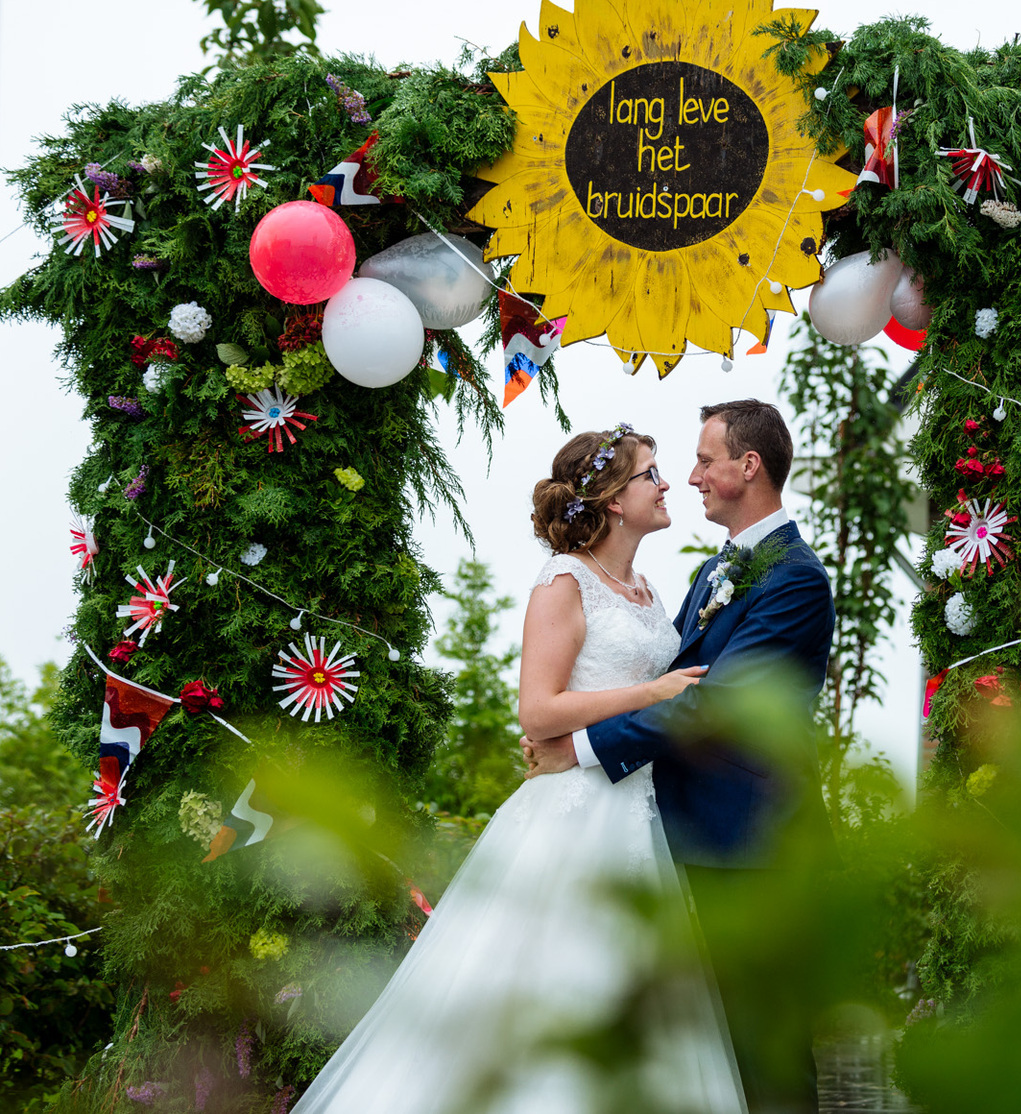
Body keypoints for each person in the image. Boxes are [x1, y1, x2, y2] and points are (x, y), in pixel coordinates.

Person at [292, 426, 748, 1113]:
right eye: (651, 474)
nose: (666, 485)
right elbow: (538, 710)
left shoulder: (650, 591)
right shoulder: (563, 580)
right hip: (570, 818)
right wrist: (653, 692)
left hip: (639, 812)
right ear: (615, 500)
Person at [526, 399, 836, 1113]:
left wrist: (577, 749)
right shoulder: (712, 571)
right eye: (673, 468)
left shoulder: (794, 578)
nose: (689, 478)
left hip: (752, 848)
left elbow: (711, 704)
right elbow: (649, 685)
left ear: (747, 466)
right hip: (685, 839)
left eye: (702, 460)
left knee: (767, 1056)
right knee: (709, 1049)